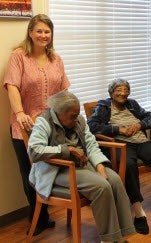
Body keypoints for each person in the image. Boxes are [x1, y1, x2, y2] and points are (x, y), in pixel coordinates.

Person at [28, 91, 135, 243]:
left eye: (77, 114)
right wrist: (68, 149)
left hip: (80, 166)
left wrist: (99, 165)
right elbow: (34, 151)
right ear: (59, 113)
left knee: (115, 180)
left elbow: (91, 144)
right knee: (101, 186)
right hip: (57, 169)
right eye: (72, 116)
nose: (76, 119)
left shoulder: (78, 120)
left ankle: (120, 234)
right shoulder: (43, 122)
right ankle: (109, 239)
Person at [87, 78, 151, 235]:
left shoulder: (132, 104)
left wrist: (139, 125)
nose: (123, 93)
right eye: (119, 90)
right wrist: (119, 130)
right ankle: (139, 212)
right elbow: (92, 126)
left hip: (141, 141)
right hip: (121, 143)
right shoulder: (103, 106)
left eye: (126, 90)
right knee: (128, 166)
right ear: (111, 93)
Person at [3, 14, 70, 235]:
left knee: (48, 169)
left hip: (52, 125)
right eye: (39, 31)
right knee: (30, 172)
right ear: (30, 32)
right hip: (26, 125)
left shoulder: (56, 59)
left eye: (47, 31)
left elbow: (63, 91)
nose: (43, 35)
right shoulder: (19, 56)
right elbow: (12, 85)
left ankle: (41, 215)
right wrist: (20, 112)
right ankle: (38, 216)